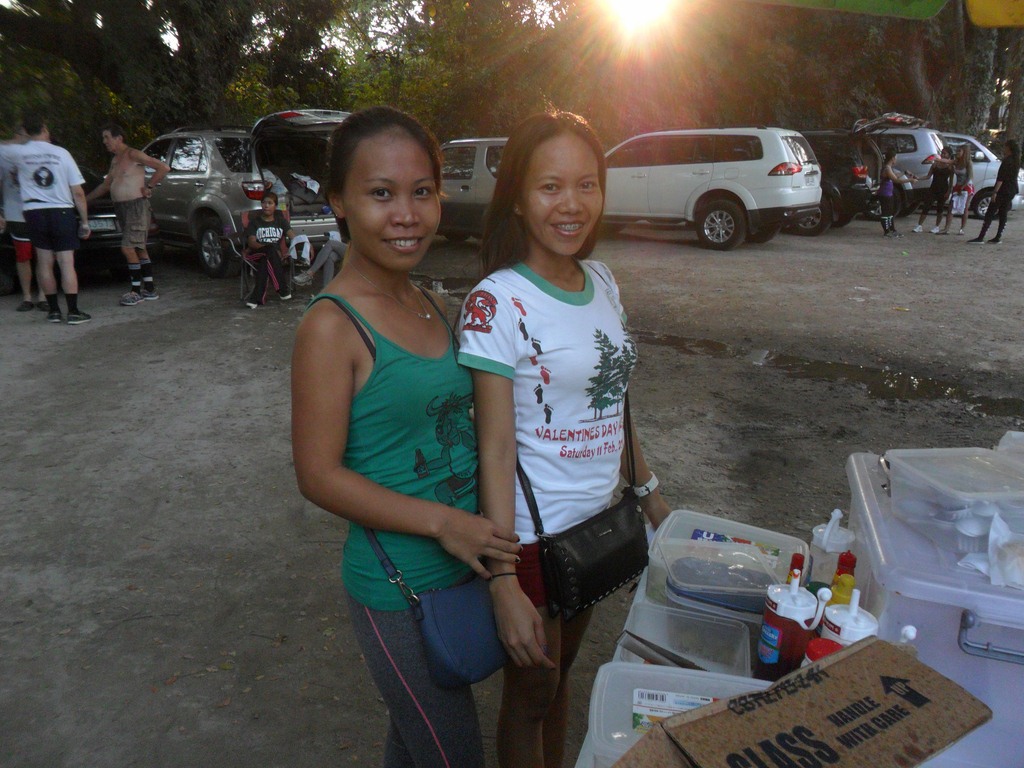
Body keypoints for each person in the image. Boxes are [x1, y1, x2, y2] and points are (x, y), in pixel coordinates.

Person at [291, 106, 521, 768]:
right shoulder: (332, 327)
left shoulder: (430, 302)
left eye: (422, 192)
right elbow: (317, 475)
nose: (407, 215)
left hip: (461, 569)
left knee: (414, 743)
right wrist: (445, 524)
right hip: (399, 588)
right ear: (339, 201)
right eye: (381, 193)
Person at [455, 111, 671, 768]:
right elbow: (494, 449)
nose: (571, 204)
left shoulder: (602, 281)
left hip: (597, 527)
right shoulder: (497, 302)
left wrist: (648, 491)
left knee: (563, 675)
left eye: (586, 184)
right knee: (531, 694)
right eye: (550, 187)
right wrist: (502, 577)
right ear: (519, 199)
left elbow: (616, 402)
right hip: (532, 541)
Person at [8, 114, 91, 324]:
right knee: (66, 262)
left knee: (44, 263)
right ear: (44, 129)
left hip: (34, 212)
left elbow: (14, 176)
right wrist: (84, 221)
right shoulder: (61, 153)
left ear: (27, 132)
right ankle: (73, 311)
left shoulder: (18, 153)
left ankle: (53, 311)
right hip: (61, 211)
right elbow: (78, 192)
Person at [86, 123, 170, 305]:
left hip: (136, 207)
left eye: (107, 137)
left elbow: (163, 167)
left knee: (128, 247)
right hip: (121, 208)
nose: (104, 141)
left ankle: (135, 291)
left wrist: (149, 186)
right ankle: (149, 289)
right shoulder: (115, 160)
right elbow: (106, 185)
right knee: (139, 247)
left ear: (119, 138)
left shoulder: (133, 154)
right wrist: (85, 200)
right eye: (103, 138)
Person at [0, 125, 47, 311]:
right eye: (23, 135)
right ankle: (27, 297)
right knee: (23, 256)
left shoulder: (38, 154)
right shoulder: (5, 156)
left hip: (39, 210)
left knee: (43, 255)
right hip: (15, 213)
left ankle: (43, 296)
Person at [243, 190, 294, 308]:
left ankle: (256, 298)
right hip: (256, 253)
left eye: (270, 203)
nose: (266, 205)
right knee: (270, 250)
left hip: (271, 257)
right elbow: (252, 243)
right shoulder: (255, 222)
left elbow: (293, 236)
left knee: (265, 262)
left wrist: (306, 244)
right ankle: (282, 289)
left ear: (275, 206)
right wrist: (267, 247)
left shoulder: (280, 221)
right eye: (264, 203)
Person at [968, 139, 1021, 244]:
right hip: (1011, 189)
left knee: (990, 212)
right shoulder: (1016, 161)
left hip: (1003, 189)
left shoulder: (1006, 161)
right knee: (1003, 213)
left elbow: (1001, 178)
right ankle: (998, 236)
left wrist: (995, 192)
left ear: (1008, 148)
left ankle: (981, 236)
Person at [912, 147, 953, 234]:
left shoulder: (950, 166)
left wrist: (949, 191)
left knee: (940, 208)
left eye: (945, 153)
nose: (942, 155)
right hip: (933, 187)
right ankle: (919, 225)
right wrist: (918, 178)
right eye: (942, 153)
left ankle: (937, 226)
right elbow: (928, 176)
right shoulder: (935, 164)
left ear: (949, 155)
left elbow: (951, 181)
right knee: (926, 205)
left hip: (943, 188)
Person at [878, 150, 915, 238]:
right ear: (892, 158)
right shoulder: (887, 168)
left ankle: (892, 229)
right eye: (895, 158)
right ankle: (887, 232)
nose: (896, 160)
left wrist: (904, 173)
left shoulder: (889, 168)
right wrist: (910, 180)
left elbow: (895, 176)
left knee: (890, 212)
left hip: (889, 193)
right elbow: (896, 180)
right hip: (885, 193)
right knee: (886, 213)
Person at [943, 144, 974, 236]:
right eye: (956, 151)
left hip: (967, 186)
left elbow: (970, 177)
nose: (957, 153)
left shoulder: (968, 163)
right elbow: (951, 176)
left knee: (965, 207)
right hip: (958, 185)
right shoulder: (956, 162)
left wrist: (963, 187)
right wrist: (950, 189)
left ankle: (962, 229)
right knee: (951, 207)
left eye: (959, 151)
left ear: (964, 152)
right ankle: (946, 228)